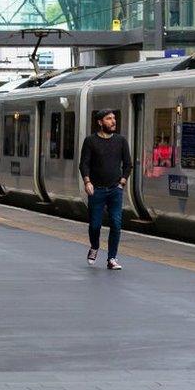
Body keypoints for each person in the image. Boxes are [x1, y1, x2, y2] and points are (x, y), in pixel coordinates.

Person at [79, 109, 132, 271]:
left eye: (114, 118)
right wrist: (87, 182)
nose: (113, 121)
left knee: (116, 224)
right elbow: (84, 164)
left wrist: (121, 183)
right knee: (95, 225)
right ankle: (94, 246)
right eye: (109, 119)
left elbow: (128, 164)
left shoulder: (121, 141)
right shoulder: (90, 141)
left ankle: (112, 258)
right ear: (100, 122)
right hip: (97, 190)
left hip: (115, 189)